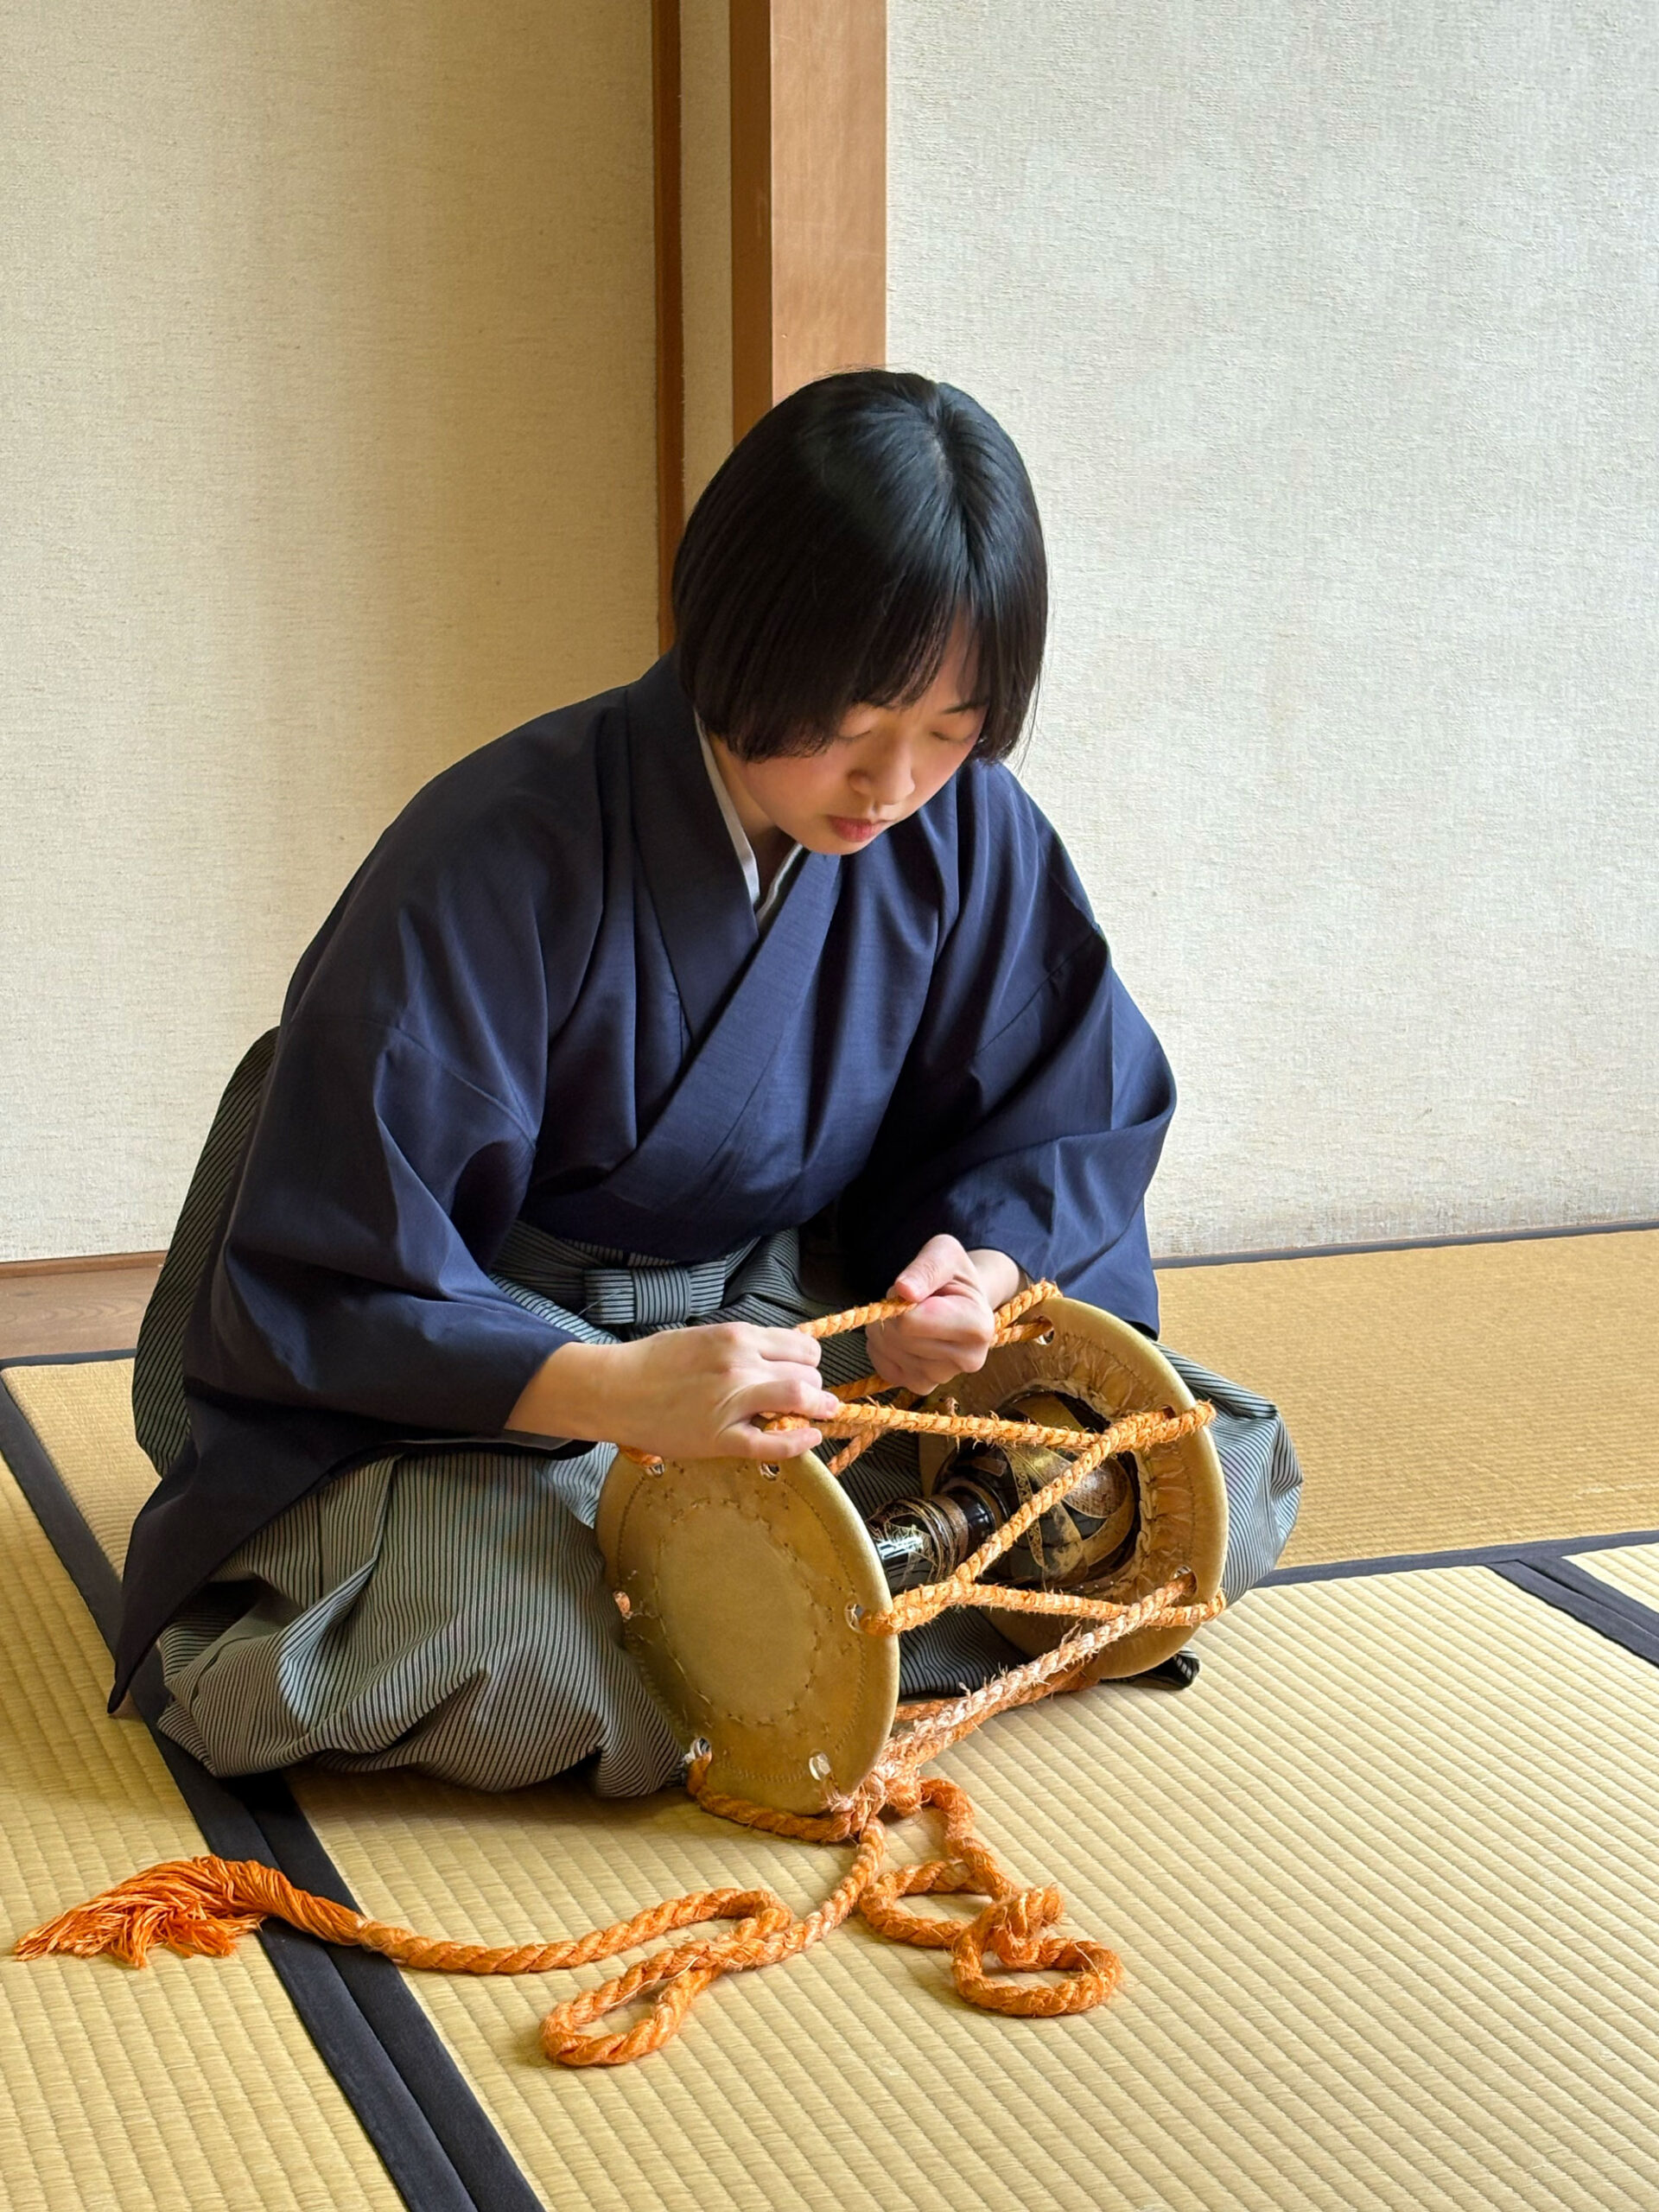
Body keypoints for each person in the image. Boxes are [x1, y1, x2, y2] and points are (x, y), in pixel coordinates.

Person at [118, 370, 1301, 1794]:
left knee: (1200, 1462)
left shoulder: (969, 833)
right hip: (501, 1369)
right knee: (507, 1630)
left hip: (792, 1325)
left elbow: (1058, 1109)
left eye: (952, 729)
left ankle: (808, 1612)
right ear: (746, 635)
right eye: (857, 720)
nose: (895, 783)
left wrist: (973, 1279)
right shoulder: (495, 849)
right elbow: (338, 1267)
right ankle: (819, 1612)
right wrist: (617, 1394)